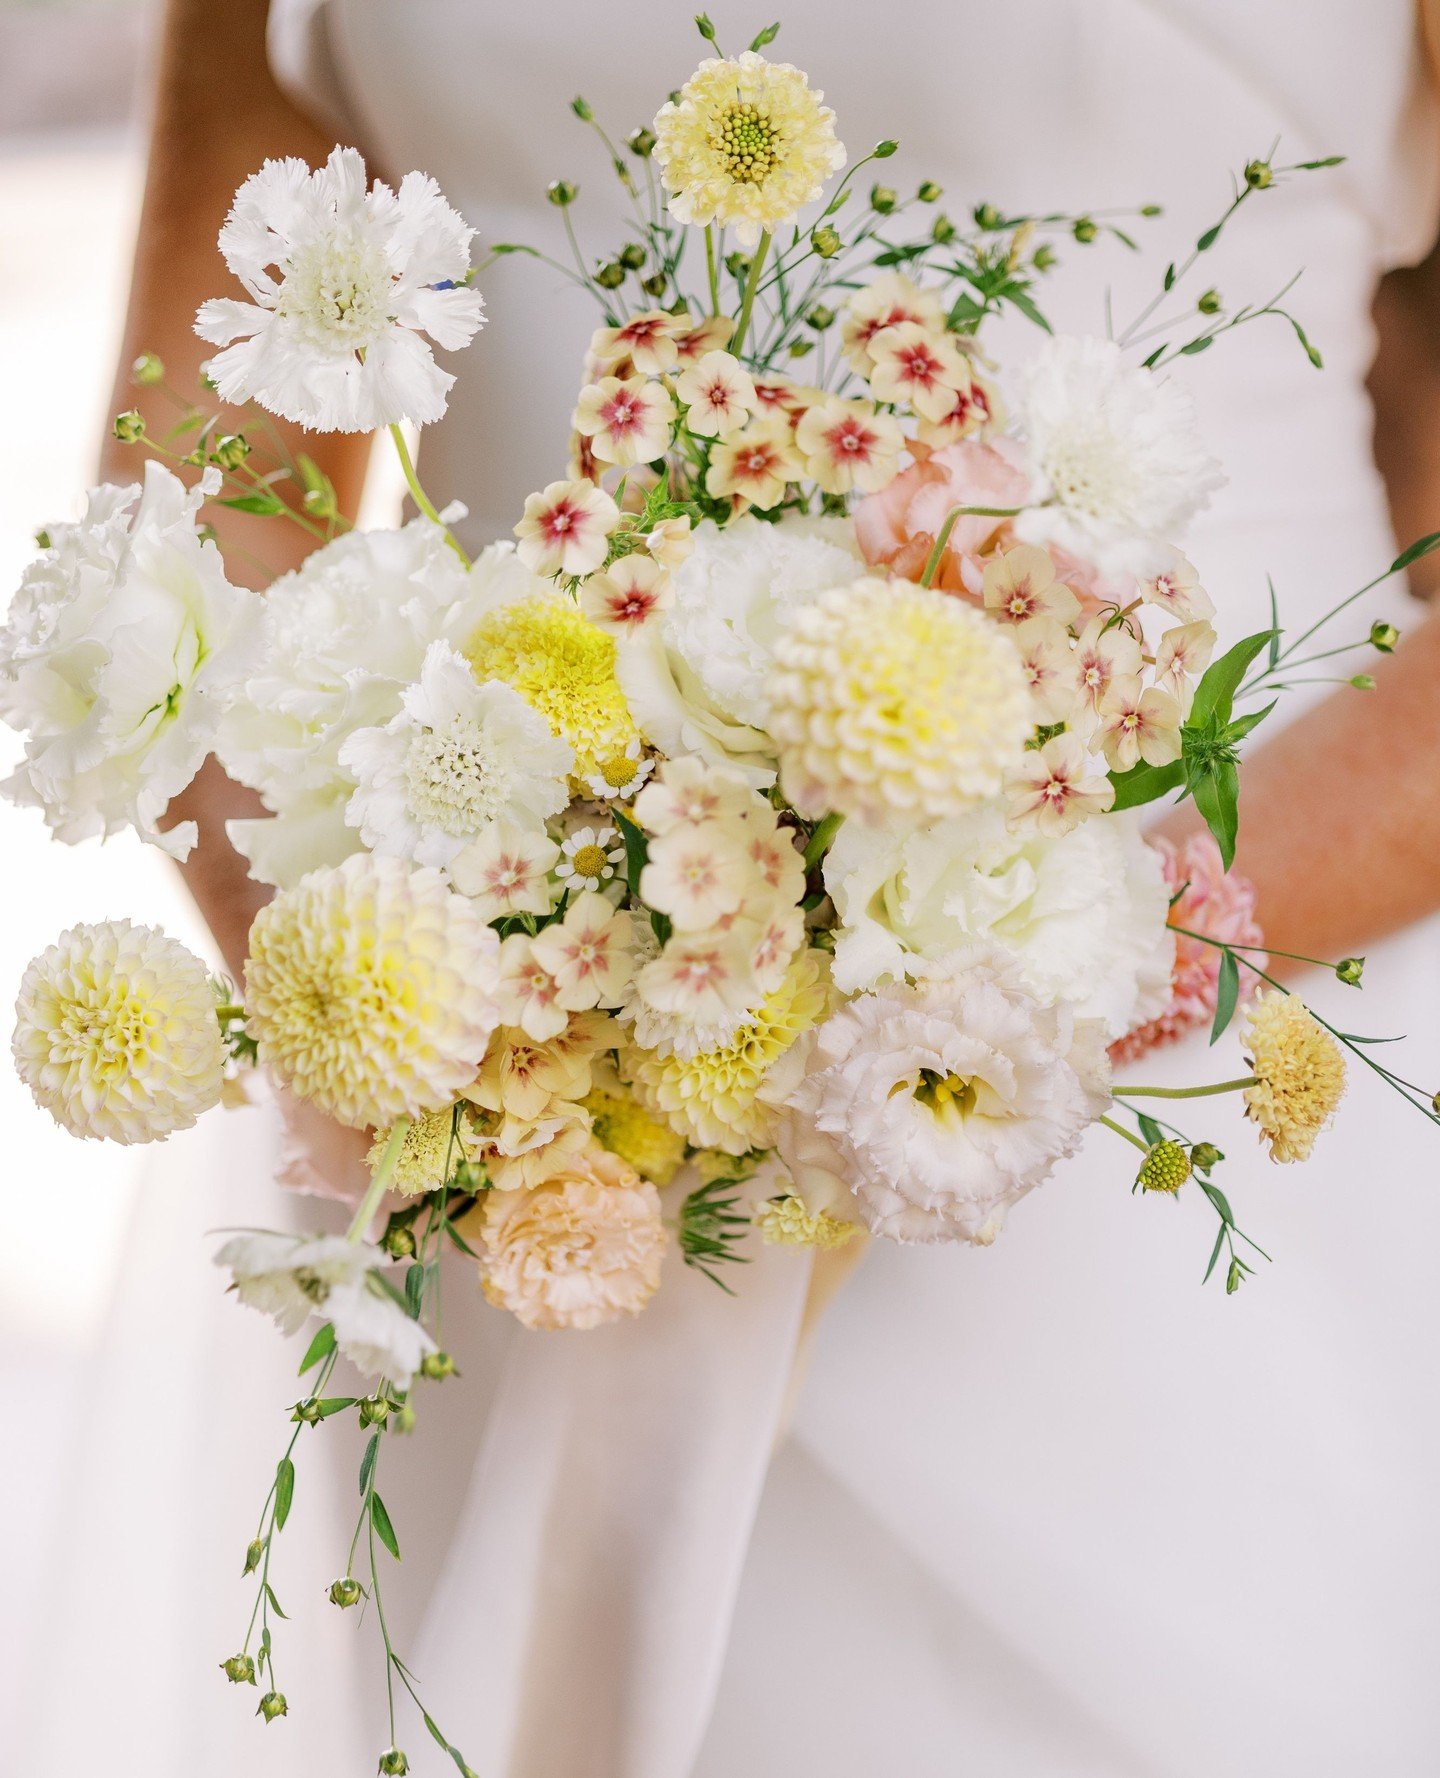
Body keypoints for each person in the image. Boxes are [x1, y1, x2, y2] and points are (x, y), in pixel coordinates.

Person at [22, 1, 1440, 1773]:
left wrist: (1017, 975)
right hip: (552, 1158)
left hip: (1195, 1087)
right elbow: (217, 471)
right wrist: (408, 987)